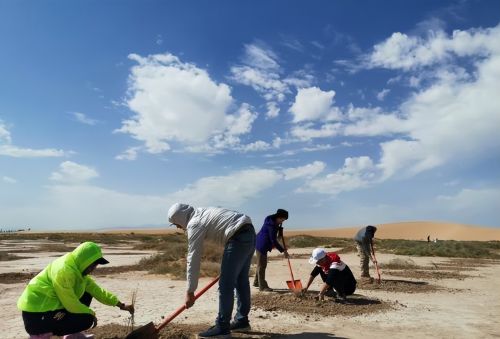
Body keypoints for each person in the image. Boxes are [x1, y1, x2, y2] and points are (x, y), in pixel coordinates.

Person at [168, 203, 256, 338]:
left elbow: (193, 258)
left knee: (226, 285)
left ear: (180, 218)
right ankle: (241, 321)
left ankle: (222, 327)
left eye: (176, 224)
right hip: (249, 233)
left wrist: (190, 291)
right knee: (241, 280)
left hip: (237, 237)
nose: (178, 227)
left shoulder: (194, 223)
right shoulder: (202, 212)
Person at [17, 241, 134, 339]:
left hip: (50, 310)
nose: (93, 268)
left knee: (87, 294)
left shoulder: (78, 270)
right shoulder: (64, 271)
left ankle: (71, 334)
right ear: (84, 260)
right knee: (86, 319)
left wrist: (120, 305)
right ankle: (43, 335)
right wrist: (91, 314)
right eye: (93, 265)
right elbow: (71, 304)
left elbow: (98, 291)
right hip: (36, 318)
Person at [253, 209, 289, 291]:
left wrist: (279, 231)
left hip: (260, 242)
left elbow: (276, 237)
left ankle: (256, 282)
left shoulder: (269, 219)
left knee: (260, 265)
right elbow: (273, 240)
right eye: (282, 219)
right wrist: (283, 250)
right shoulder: (272, 225)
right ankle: (262, 287)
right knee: (262, 265)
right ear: (278, 217)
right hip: (262, 245)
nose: (282, 221)